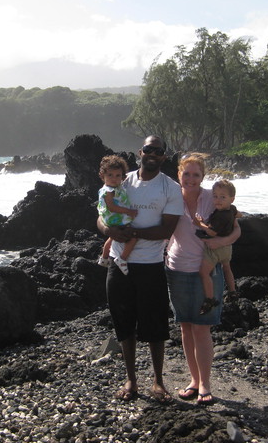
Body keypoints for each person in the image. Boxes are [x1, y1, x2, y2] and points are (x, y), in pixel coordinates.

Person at [97, 135, 183, 403]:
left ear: (164, 157)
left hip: (150, 265)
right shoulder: (124, 180)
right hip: (118, 264)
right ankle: (131, 380)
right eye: (148, 149)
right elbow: (100, 215)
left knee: (156, 324)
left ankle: (158, 381)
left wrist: (133, 233)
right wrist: (109, 230)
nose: (152, 154)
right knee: (123, 323)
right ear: (140, 152)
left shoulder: (170, 188)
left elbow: (168, 229)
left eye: (158, 151)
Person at [165, 153, 241, 405]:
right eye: (186, 173)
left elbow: (236, 223)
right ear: (179, 175)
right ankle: (194, 381)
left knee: (202, 328)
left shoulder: (213, 197)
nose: (190, 179)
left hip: (206, 270)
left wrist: (223, 241)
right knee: (186, 326)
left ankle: (206, 384)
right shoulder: (171, 197)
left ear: (202, 177)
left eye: (196, 174)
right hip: (176, 268)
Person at [193, 179, 240, 315]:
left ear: (232, 199)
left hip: (216, 249)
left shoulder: (220, 215)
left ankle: (209, 298)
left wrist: (199, 223)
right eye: (215, 196)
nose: (218, 200)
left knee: (204, 273)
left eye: (222, 197)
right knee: (227, 268)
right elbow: (239, 215)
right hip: (227, 248)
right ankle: (232, 291)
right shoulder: (232, 209)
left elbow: (212, 232)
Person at [97, 155, 138, 275]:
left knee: (111, 238)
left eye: (118, 175)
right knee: (133, 237)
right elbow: (111, 207)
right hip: (115, 218)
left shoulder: (116, 187)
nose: (114, 178)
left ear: (122, 177)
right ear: (102, 175)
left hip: (112, 219)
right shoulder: (109, 191)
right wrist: (128, 211)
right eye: (110, 175)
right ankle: (122, 259)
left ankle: (104, 258)